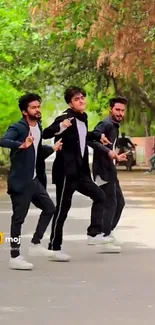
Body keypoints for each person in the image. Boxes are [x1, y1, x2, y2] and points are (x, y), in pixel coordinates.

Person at [43, 86, 113, 262]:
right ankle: (54, 247)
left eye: (82, 98)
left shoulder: (83, 118)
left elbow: (82, 138)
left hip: (81, 172)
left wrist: (97, 137)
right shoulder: (66, 118)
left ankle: (93, 233)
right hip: (66, 172)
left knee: (100, 196)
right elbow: (46, 133)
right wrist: (61, 125)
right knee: (62, 210)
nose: (81, 101)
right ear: (70, 103)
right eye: (76, 99)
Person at [0, 93, 63, 270]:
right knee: (18, 220)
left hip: (34, 180)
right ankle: (14, 255)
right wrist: (21, 145)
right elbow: (3, 141)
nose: (37, 110)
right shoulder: (19, 127)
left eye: (38, 106)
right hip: (20, 182)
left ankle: (36, 243)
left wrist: (52, 148)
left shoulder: (38, 128)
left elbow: (37, 152)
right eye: (33, 107)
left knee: (50, 208)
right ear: (24, 111)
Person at [88, 97, 128, 253]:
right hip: (102, 171)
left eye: (122, 110)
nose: (120, 113)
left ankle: (107, 233)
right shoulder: (105, 124)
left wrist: (117, 156)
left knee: (120, 202)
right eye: (117, 110)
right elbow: (91, 141)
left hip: (110, 169)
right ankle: (103, 237)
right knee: (110, 203)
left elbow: (108, 148)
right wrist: (108, 151)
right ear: (111, 109)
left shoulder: (114, 126)